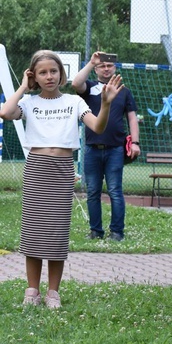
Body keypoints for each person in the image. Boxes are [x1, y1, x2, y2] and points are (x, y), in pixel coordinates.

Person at [0, 50, 122, 308]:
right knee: (33, 233)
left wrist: (107, 103)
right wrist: (23, 86)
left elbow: (97, 127)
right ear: (34, 75)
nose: (49, 76)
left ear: (61, 73)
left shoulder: (73, 102)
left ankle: (53, 292)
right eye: (42, 72)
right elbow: (5, 112)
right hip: (36, 168)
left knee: (56, 233)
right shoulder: (29, 102)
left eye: (53, 71)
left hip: (62, 169)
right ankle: (32, 290)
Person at [72, 52, 141, 242]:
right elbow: (76, 84)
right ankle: (96, 231)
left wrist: (135, 142)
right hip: (92, 149)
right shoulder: (90, 88)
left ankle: (117, 232)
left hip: (115, 149)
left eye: (109, 65)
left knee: (115, 191)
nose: (106, 68)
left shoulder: (124, 91)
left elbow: (132, 117)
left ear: (115, 68)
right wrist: (90, 62)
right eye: (102, 66)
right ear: (96, 69)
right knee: (93, 191)